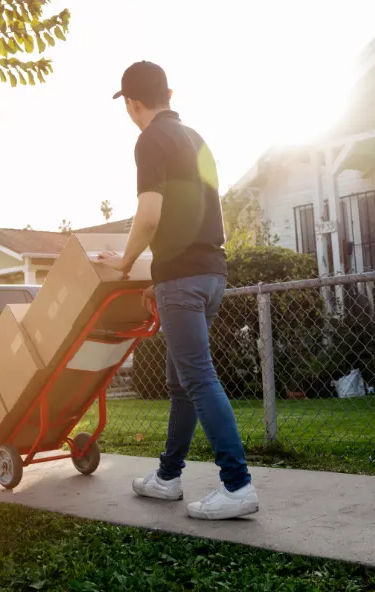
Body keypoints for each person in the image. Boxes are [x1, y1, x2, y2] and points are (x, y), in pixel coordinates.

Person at [98, 61, 258, 520]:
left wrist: (126, 263)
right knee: (182, 382)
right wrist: (157, 278)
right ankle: (168, 477)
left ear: (132, 103)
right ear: (169, 93)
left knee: (198, 378)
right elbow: (193, 214)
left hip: (184, 280)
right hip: (209, 274)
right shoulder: (196, 138)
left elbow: (150, 215)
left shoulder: (150, 140)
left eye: (127, 105)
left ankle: (237, 485)